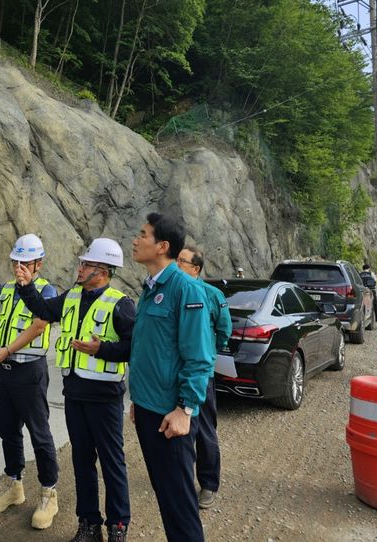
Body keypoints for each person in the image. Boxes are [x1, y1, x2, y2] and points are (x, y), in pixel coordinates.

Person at [15, 238, 135, 542]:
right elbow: (42, 309)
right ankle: (89, 525)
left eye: (86, 264)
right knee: (81, 461)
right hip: (75, 395)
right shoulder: (70, 297)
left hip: (105, 398)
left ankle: (118, 526)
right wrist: (27, 286)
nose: (79, 268)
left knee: (112, 463)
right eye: (81, 263)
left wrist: (101, 349)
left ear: (103, 270)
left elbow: (135, 347)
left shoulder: (121, 304)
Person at [129, 213, 215, 542]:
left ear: (162, 246)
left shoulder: (186, 290)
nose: (136, 240)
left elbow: (199, 357)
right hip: (150, 409)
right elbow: (149, 351)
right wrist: (140, 399)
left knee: (179, 505)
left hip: (172, 417)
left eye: (143, 235)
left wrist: (185, 409)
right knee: (165, 496)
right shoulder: (150, 289)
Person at [0, 234, 60, 529]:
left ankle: (49, 493)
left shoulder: (46, 291)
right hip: (5, 371)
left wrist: (8, 350)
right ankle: (14, 487)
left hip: (29, 372)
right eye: (15, 261)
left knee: (40, 434)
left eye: (25, 262)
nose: (18, 267)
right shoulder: (6, 288)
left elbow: (39, 326)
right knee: (8, 431)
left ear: (38, 263)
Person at [177, 246, 232, 509]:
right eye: (176, 260)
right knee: (179, 429)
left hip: (201, 374)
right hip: (175, 372)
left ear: (196, 269)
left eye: (182, 261)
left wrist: (207, 352)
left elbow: (224, 330)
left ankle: (209, 484)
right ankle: (181, 480)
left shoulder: (211, 294)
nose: (177, 265)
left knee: (204, 430)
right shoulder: (173, 292)